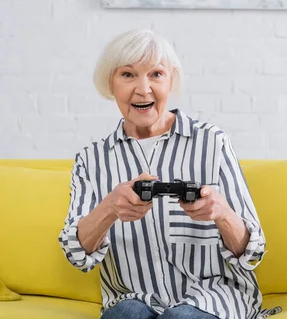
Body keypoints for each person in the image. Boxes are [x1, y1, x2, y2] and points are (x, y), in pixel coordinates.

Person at [58, 29, 271, 319]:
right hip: (132, 298)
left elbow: (253, 252)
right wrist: (109, 208)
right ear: (111, 82)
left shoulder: (212, 142)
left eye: (156, 74)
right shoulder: (91, 159)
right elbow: (76, 255)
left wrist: (222, 213)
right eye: (128, 75)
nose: (143, 89)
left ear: (171, 79)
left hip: (214, 297)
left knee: (180, 318)